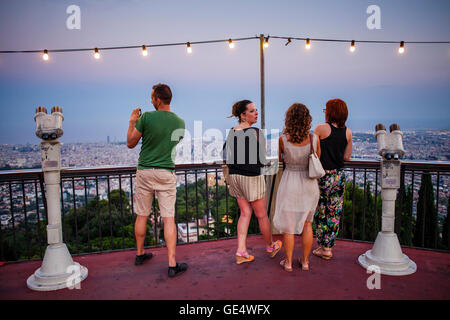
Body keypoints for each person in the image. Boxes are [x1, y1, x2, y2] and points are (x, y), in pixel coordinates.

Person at [127, 83, 188, 278]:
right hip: (165, 172)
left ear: (158, 99)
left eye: (152, 98)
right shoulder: (180, 122)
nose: (151, 101)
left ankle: (140, 254)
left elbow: (130, 142)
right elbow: (173, 143)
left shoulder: (146, 117)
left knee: (142, 215)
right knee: (168, 218)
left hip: (145, 170)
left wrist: (132, 121)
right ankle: (171, 264)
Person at [224, 99, 282, 264]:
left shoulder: (231, 132)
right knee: (262, 215)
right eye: (252, 111)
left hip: (235, 177)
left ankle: (241, 251)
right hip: (252, 177)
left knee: (245, 213)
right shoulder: (256, 132)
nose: (256, 113)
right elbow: (262, 158)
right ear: (243, 115)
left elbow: (228, 155)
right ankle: (270, 247)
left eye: (256, 110)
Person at [272, 103, 320, 272]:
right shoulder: (314, 139)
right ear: (307, 119)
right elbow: (316, 159)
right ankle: (305, 262)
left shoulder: (283, 140)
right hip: (309, 183)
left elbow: (281, 159)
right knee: (308, 224)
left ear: (289, 119)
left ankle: (289, 262)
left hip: (290, 182)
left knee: (289, 226)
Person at [313, 98, 352, 260]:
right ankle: (328, 248)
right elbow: (347, 157)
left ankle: (322, 245)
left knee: (320, 210)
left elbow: (314, 153)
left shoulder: (321, 129)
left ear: (330, 112)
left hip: (323, 175)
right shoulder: (348, 132)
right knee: (334, 211)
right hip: (338, 175)